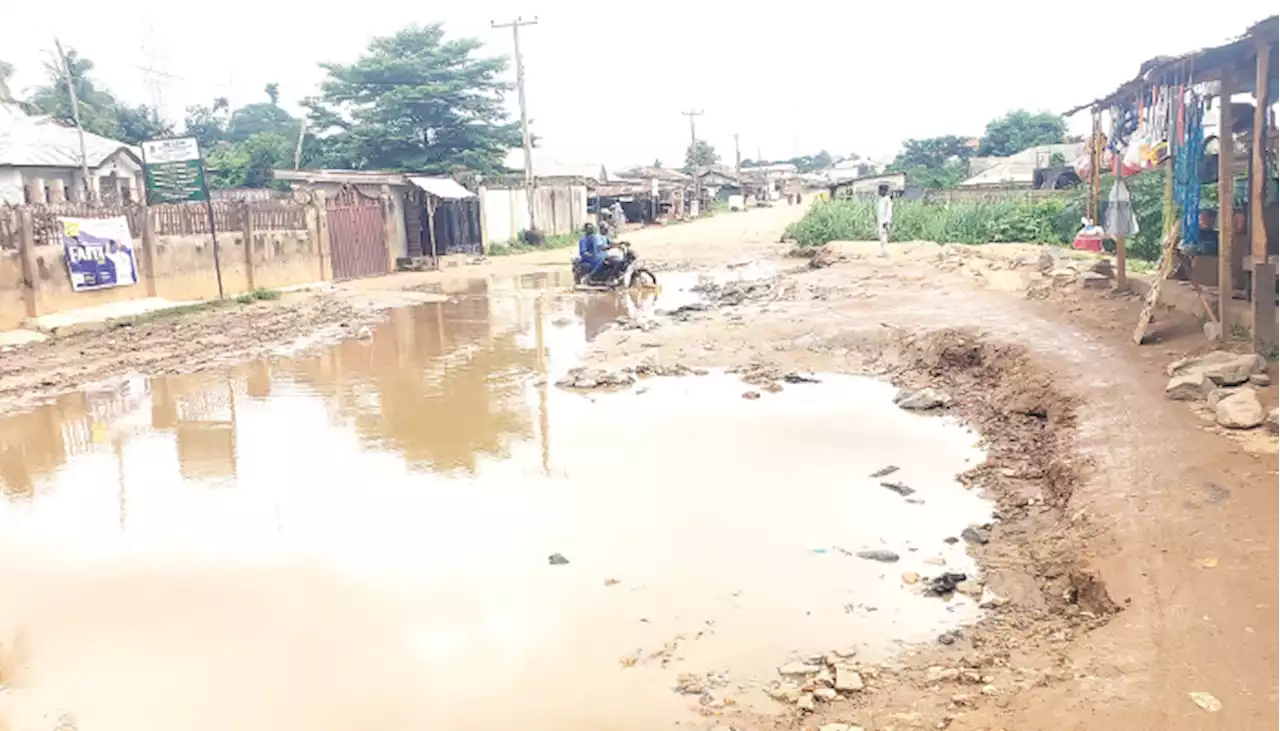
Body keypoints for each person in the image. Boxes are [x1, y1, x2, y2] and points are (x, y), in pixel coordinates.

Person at [876, 183, 894, 258]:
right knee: (882, 237)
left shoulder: (887, 200)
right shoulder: (883, 200)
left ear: (884, 191)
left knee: (884, 237)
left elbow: (889, 212)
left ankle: (885, 252)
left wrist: (886, 221)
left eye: (880, 190)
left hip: (884, 221)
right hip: (881, 221)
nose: (879, 192)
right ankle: (883, 252)